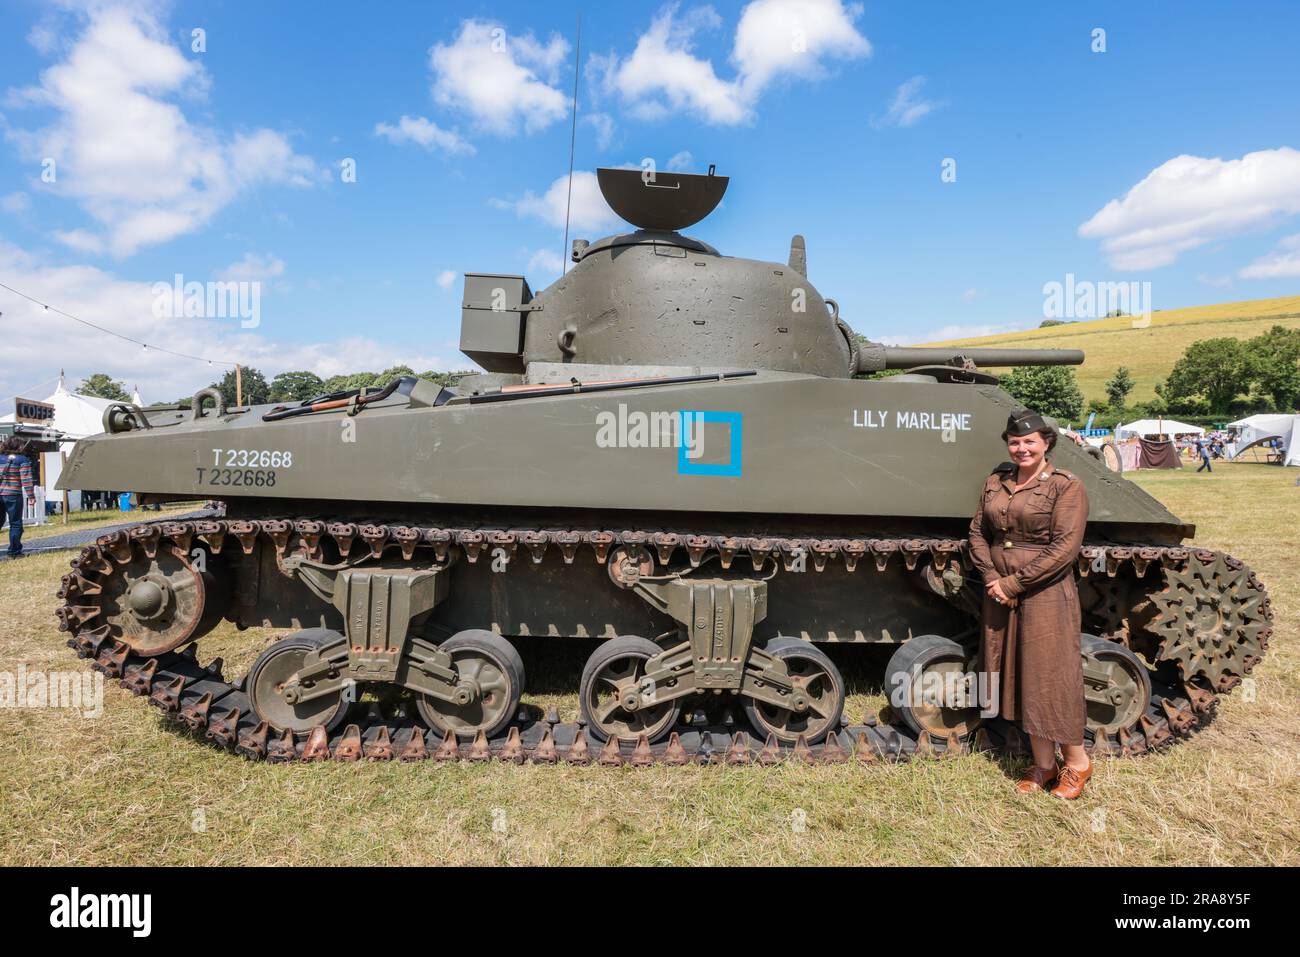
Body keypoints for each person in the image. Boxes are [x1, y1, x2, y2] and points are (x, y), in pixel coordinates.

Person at [968, 411, 1093, 799]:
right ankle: (1043, 764)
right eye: (1015, 442)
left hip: (1045, 593)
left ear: (1047, 443)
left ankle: (1077, 764)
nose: (1021, 448)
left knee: (1050, 676)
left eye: (1030, 442)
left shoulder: (1065, 487)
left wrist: (1014, 583)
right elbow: (978, 531)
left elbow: (1064, 549)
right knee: (1021, 676)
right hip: (1000, 592)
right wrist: (992, 577)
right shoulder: (997, 480)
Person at [0, 437, 37, 558]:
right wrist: (31, 496)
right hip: (13, 495)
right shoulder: (22, 460)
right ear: (18, 446)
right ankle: (14, 551)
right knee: (15, 524)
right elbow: (26, 480)